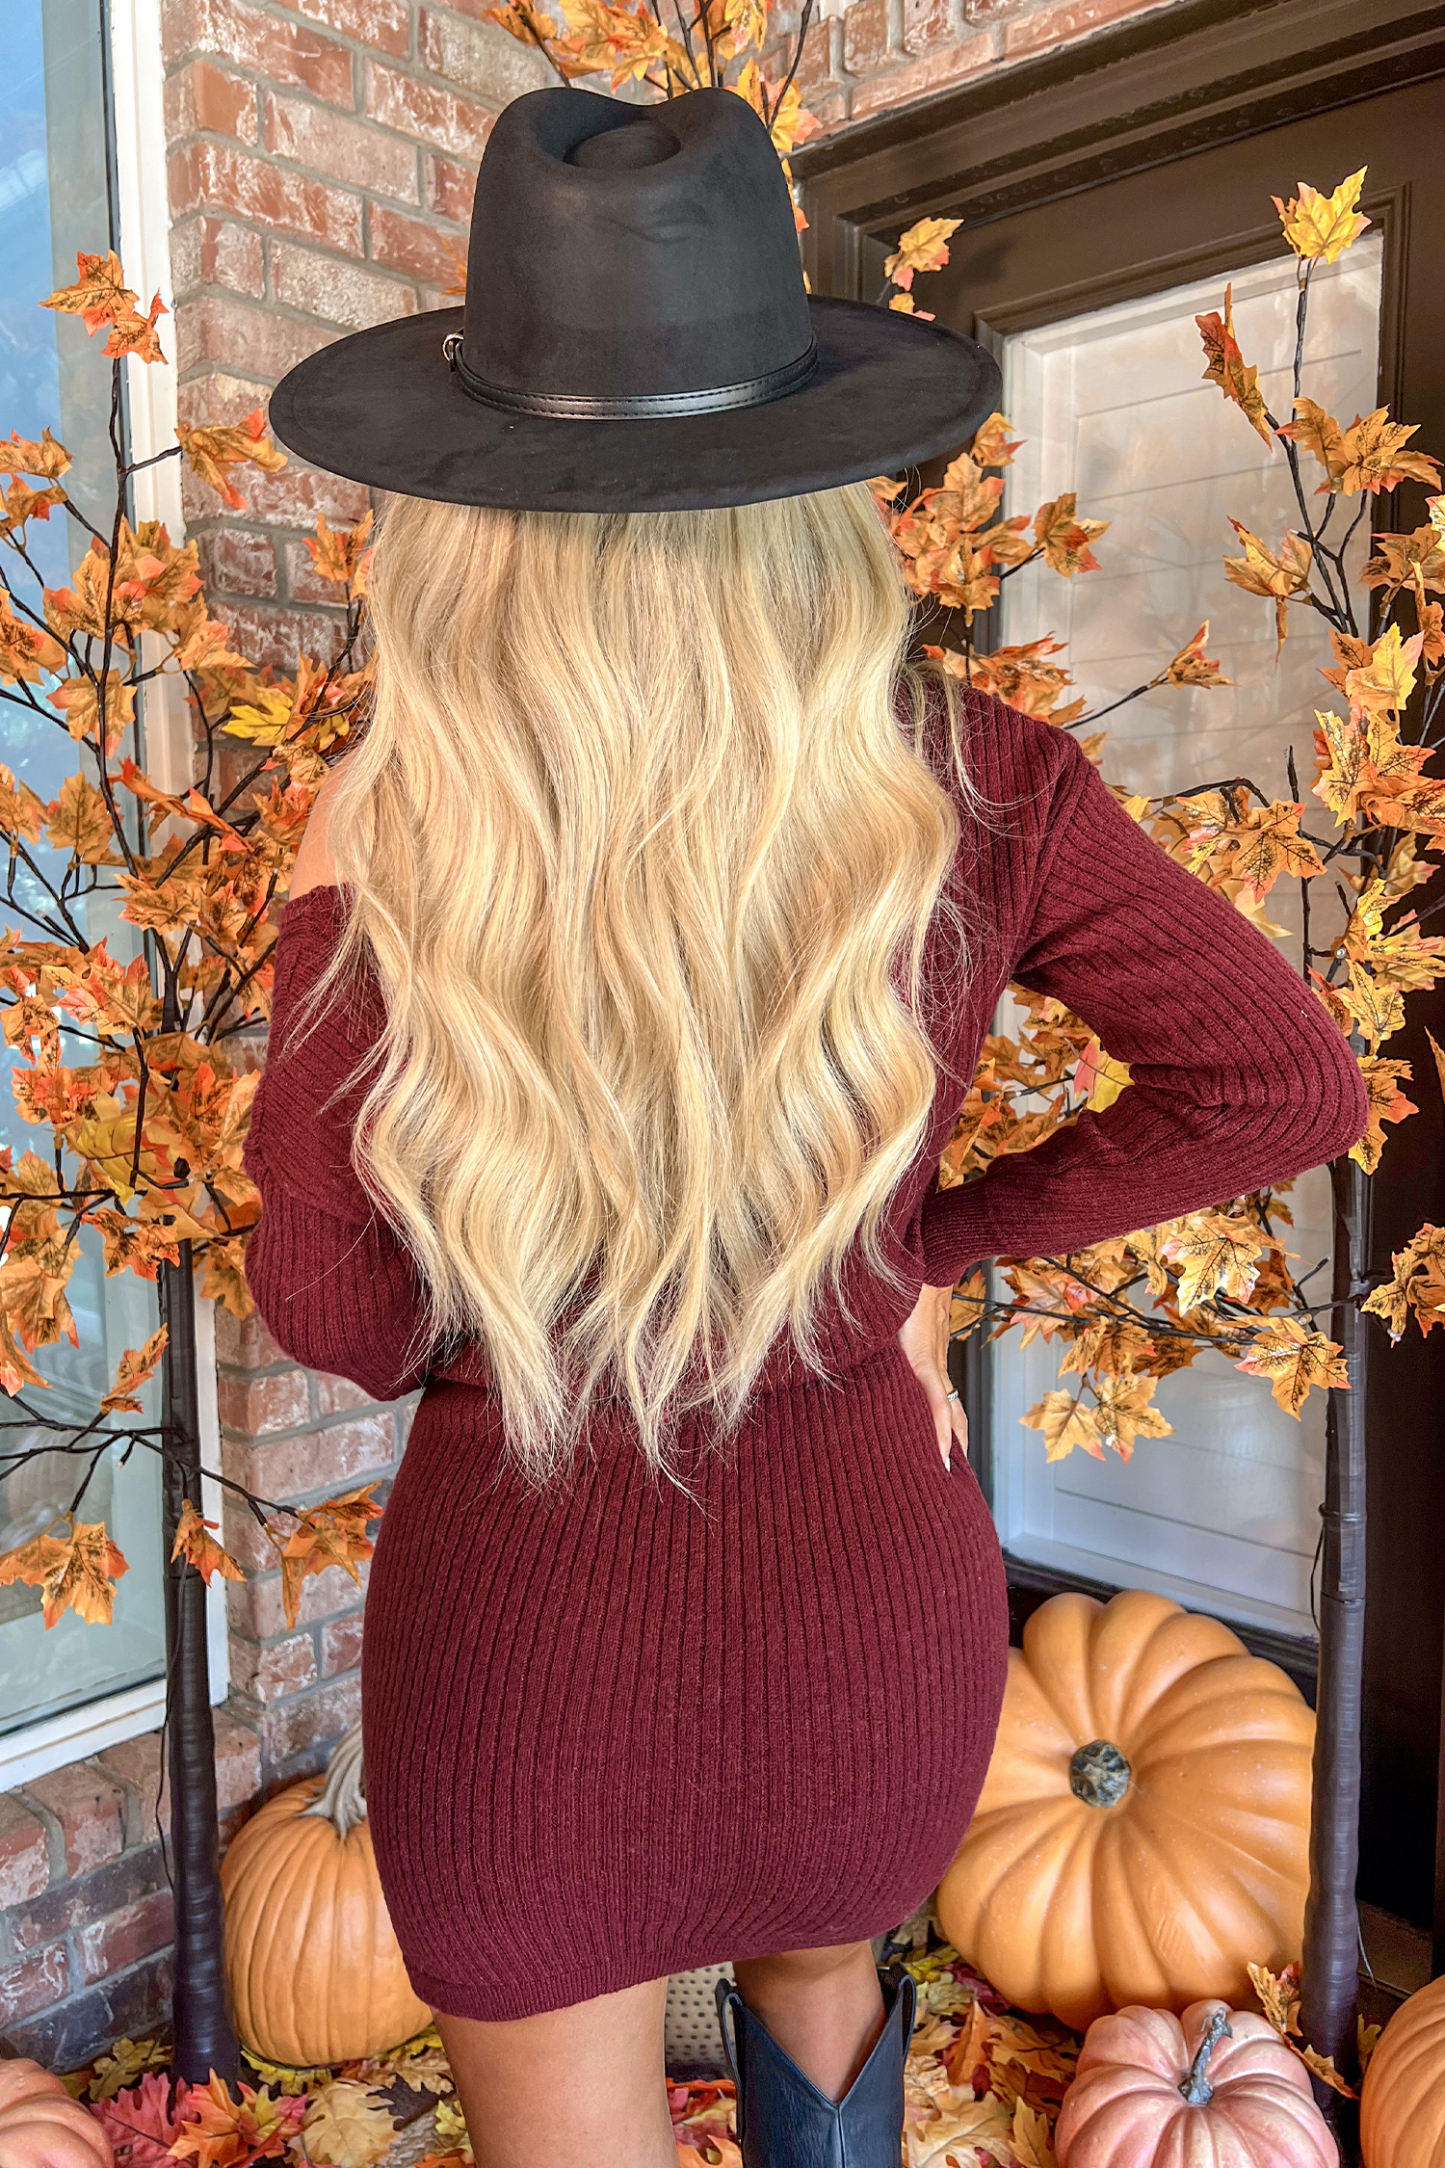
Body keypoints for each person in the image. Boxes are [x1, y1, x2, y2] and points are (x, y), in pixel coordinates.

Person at [242, 81, 1370, 2168]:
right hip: (866, 1618)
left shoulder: (397, 829)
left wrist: (324, 930)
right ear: (811, 483)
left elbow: (345, 1321)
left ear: (466, 516)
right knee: (825, 2003)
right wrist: (918, 1249)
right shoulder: (977, 776)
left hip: (530, 1649)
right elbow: (1285, 1081)